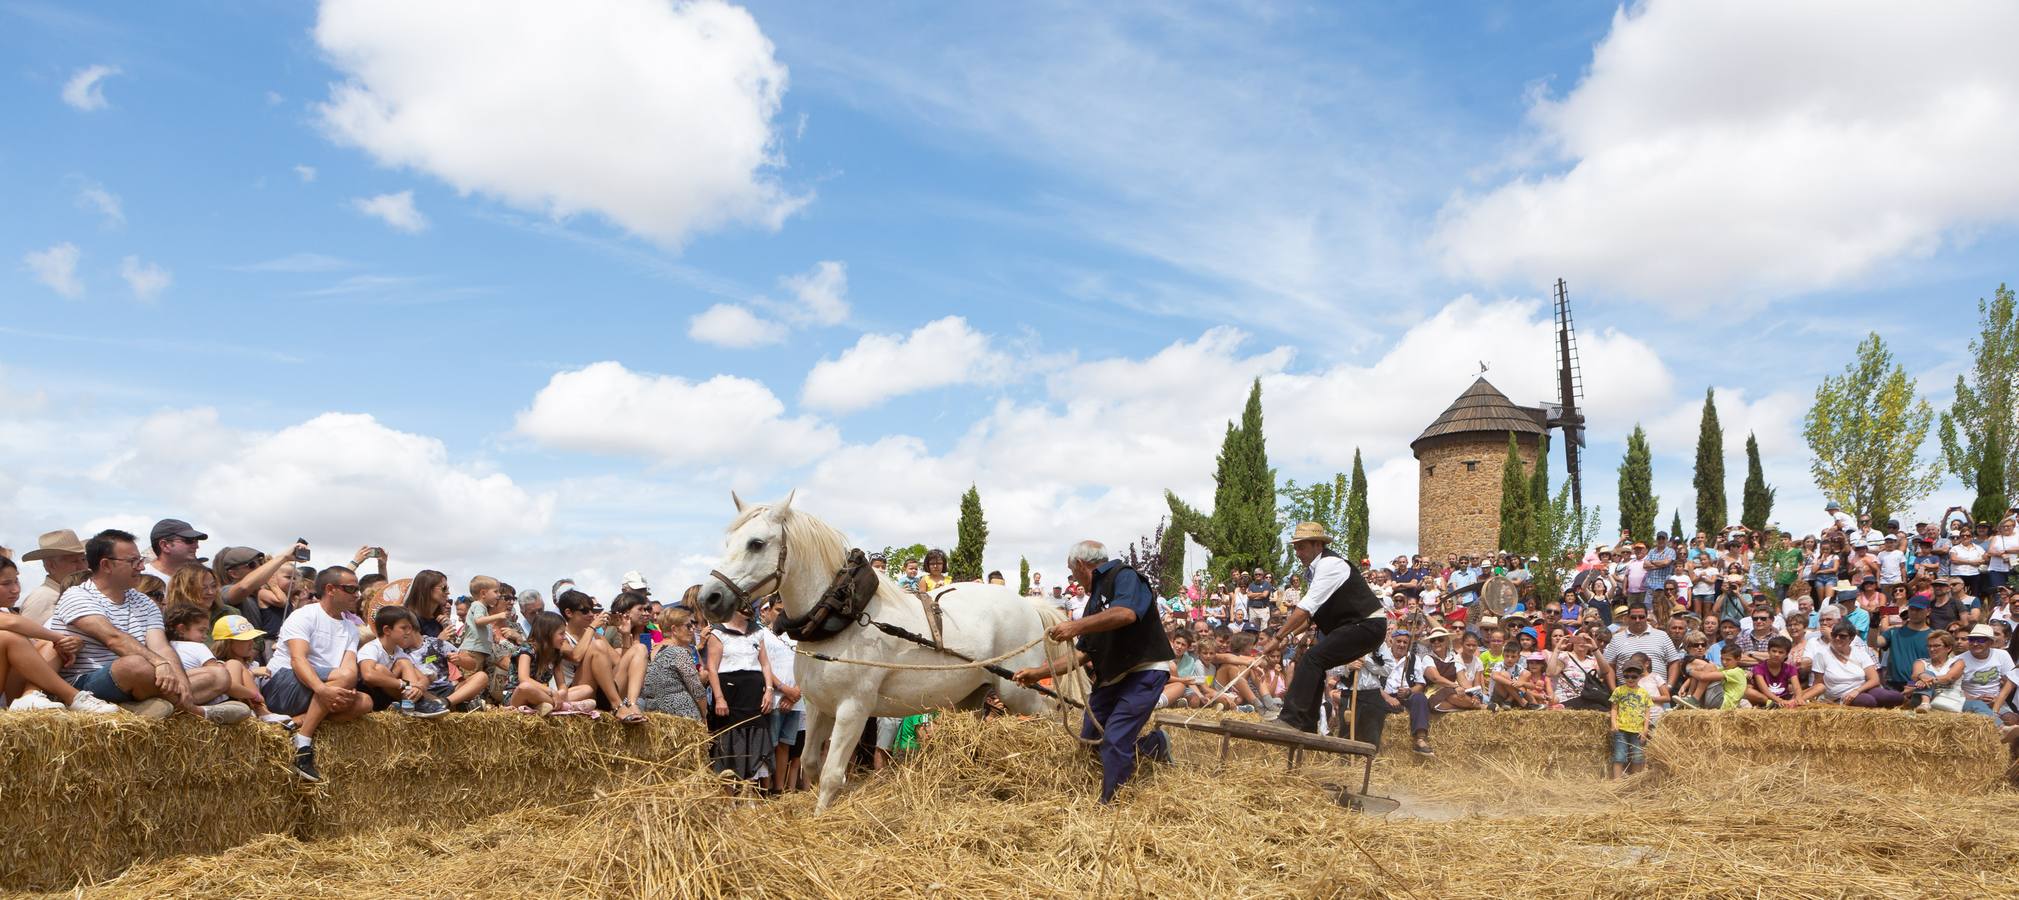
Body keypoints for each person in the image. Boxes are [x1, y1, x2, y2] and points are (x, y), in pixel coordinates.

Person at [1013, 539, 1174, 804]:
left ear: (1080, 564)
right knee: (1090, 740)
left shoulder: (1125, 576)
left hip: (1143, 672)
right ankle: (1153, 745)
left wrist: (1076, 627)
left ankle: (1111, 805)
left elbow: (1126, 614)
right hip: (1113, 678)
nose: (1073, 580)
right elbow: (1081, 654)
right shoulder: (1093, 603)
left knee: (1114, 740)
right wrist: (1038, 672)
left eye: (1072, 572)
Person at [50, 529, 228, 718]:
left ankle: (140, 706)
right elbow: (113, 639)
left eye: (141, 560)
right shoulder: (77, 595)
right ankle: (192, 710)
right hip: (86, 684)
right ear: (106, 565)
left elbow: (161, 647)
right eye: (133, 561)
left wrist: (180, 680)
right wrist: (159, 664)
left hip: (145, 677)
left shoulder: (143, 601)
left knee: (219, 675)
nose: (141, 567)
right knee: (135, 666)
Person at [1257, 522, 1386, 738]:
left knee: (1313, 659)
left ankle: (1292, 720)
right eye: (1296, 548)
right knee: (1314, 660)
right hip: (1356, 626)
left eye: (1302, 547)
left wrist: (1277, 637)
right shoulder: (1315, 571)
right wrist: (1288, 636)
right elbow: (1313, 617)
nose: (1298, 553)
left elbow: (1305, 609)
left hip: (1366, 625)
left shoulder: (1330, 565)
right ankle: (1306, 724)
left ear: (1318, 545)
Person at [265, 566, 373, 781]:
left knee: (366, 702)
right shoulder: (304, 615)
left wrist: (334, 688)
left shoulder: (350, 628)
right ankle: (303, 743)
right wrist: (322, 689)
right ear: (330, 589)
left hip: (321, 687)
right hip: (284, 684)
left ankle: (298, 722)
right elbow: (297, 660)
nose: (357, 594)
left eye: (358, 589)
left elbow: (350, 668)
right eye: (351, 589)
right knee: (343, 678)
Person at [0, 555, 119, 713]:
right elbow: (12, 623)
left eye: (16, 581)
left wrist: (67, 642)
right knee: (11, 638)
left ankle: (31, 695)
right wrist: (59, 637)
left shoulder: (6, 610)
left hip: (9, 692)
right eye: (6, 584)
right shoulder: (38, 598)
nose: (15, 589)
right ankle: (73, 697)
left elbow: (29, 644)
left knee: (51, 645)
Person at [162, 603, 253, 723]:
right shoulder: (198, 647)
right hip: (199, 696)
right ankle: (259, 712)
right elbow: (226, 683)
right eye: (201, 631)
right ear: (182, 629)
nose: (205, 637)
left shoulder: (165, 646)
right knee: (231, 667)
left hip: (173, 695)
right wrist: (253, 695)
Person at [355, 605, 449, 717]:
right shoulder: (371, 648)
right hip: (372, 696)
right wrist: (405, 684)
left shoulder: (398, 650)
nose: (408, 632)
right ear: (387, 630)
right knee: (380, 669)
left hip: (392, 695)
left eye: (410, 628)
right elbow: (368, 676)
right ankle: (417, 703)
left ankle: (414, 703)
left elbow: (421, 677)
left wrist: (419, 687)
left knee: (404, 663)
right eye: (404, 628)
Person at [1811, 622, 1902, 708]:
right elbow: (1818, 683)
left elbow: (1874, 679)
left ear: (1851, 638)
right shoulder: (1821, 655)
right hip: (1841, 696)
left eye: (1842, 636)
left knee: (1894, 697)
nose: (1837, 638)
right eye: (1834, 635)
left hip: (1862, 688)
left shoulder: (1859, 652)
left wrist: (1857, 691)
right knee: (1868, 701)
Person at [639, 606, 707, 720]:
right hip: (684, 718)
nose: (692, 629)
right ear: (674, 629)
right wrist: (704, 715)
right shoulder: (678, 652)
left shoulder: (651, 651)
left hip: (658, 719)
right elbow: (697, 691)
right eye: (688, 626)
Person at [18, 529, 88, 625]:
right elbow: (33, 639)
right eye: (74, 561)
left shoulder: (68, 593)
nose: (83, 567)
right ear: (50, 565)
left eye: (83, 559)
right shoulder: (43, 599)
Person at [1609, 653, 1653, 779]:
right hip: (1622, 728)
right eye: (1626, 676)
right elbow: (1614, 708)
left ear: (1639, 677)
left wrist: (1645, 729)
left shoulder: (1644, 693)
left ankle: (1635, 781)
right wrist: (1614, 723)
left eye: (1634, 676)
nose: (1630, 679)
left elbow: (1647, 711)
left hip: (1638, 730)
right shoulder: (1619, 690)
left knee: (1638, 756)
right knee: (1619, 755)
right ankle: (1616, 782)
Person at [1959, 624, 2014, 718]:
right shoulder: (1959, 660)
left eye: (1981, 640)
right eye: (1972, 639)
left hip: (1996, 701)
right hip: (1970, 702)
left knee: (2011, 719)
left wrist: (1998, 699)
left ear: (1991, 642)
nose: (1975, 643)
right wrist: (1975, 699)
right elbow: (1955, 689)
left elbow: (2010, 682)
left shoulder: (2002, 655)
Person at [1905, 631, 1963, 712]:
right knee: (1926, 674)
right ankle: (1925, 703)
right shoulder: (1921, 662)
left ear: (1948, 648)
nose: (1932, 649)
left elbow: (1949, 677)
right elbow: (1915, 676)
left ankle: (1925, 704)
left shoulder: (1957, 662)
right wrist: (1920, 679)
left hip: (1949, 700)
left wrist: (1924, 681)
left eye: (1936, 646)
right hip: (1920, 701)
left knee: (1928, 674)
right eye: (1929, 646)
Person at [144, 518, 207, 584]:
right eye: (189, 540)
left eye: (196, 541)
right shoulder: (140, 578)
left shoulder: (200, 578)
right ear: (164, 545)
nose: (196, 546)